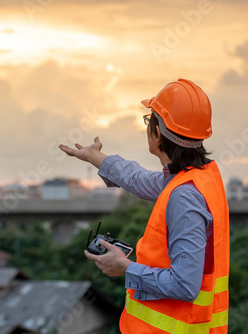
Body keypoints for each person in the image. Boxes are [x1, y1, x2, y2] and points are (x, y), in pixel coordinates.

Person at [59, 78, 229, 333]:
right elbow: (139, 178)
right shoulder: (197, 177)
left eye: (149, 120)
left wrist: (125, 267)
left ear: (158, 133)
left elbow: (185, 285)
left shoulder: (185, 196)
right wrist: (95, 156)